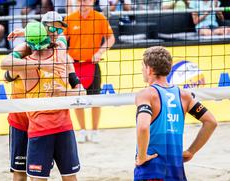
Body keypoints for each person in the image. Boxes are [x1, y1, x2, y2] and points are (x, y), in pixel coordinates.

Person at [1, 21, 84, 181]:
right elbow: (5, 68)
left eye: (57, 29)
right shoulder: (23, 63)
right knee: (20, 174)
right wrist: (38, 61)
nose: (55, 31)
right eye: (51, 28)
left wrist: (65, 92)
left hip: (57, 125)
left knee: (66, 176)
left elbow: (81, 91)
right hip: (23, 120)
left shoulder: (62, 56)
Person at [134, 46, 217, 180]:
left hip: (152, 168)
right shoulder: (185, 96)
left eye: (142, 66)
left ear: (149, 69)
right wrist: (191, 151)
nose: (141, 69)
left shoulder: (146, 94)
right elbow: (211, 122)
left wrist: (142, 156)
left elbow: (143, 127)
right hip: (176, 169)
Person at [64, 0, 115, 143]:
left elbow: (111, 38)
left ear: (92, 1)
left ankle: (94, 131)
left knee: (96, 100)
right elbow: (61, 40)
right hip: (74, 66)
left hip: (92, 64)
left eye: (86, 0)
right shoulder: (70, 18)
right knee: (77, 99)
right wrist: (64, 53)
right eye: (80, 0)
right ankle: (82, 130)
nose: (83, 3)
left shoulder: (99, 18)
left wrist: (100, 52)